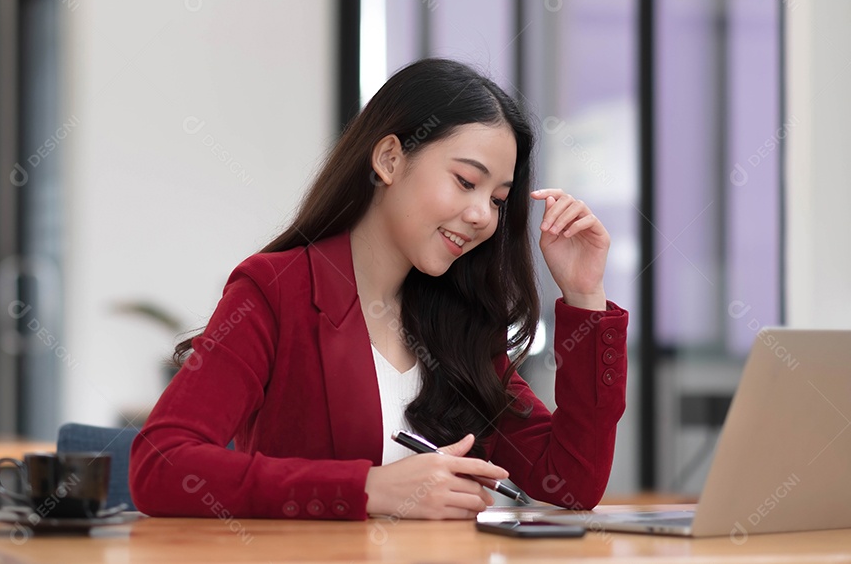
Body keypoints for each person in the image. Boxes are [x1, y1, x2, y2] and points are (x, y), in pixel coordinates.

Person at [130, 58, 628, 521]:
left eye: (498, 200)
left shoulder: (460, 323)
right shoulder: (275, 290)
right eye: (464, 181)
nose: (482, 216)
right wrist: (369, 489)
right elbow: (161, 464)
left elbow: (570, 482)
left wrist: (585, 294)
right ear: (389, 159)